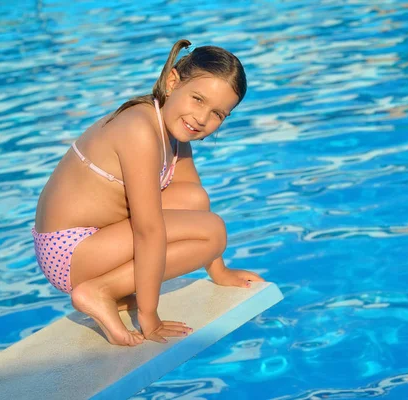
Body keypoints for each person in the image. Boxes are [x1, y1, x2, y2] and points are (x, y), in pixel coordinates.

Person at [32, 39, 265, 346]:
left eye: (218, 114)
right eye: (197, 99)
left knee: (194, 199)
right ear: (172, 82)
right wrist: (149, 316)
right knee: (213, 232)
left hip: (96, 238)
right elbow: (148, 229)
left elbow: (195, 200)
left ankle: (110, 286)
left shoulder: (173, 129)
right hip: (69, 251)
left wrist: (218, 270)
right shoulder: (139, 130)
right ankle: (98, 291)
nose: (202, 119)